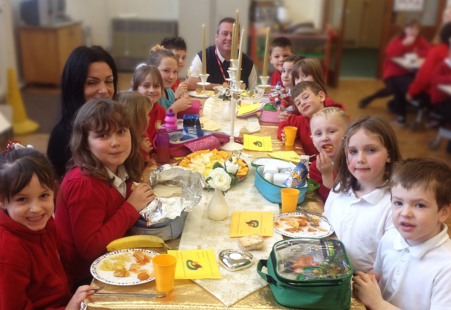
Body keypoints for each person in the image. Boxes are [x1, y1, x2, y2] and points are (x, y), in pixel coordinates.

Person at [55, 99, 156, 288]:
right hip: (87, 278)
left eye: (121, 132)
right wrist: (131, 207)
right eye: (102, 135)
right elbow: (90, 249)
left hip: (113, 257)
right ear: (85, 143)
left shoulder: (118, 167)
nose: (115, 143)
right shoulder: (84, 183)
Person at [0, 145, 94, 310]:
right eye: (22, 199)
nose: (36, 208)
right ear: (2, 201)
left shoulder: (47, 223)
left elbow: (64, 266)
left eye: (44, 196)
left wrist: (71, 299)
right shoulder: (8, 252)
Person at [354, 157, 451, 310]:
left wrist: (378, 304)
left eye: (419, 205)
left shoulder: (446, 267)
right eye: (398, 203)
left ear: (443, 212)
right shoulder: (391, 238)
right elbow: (378, 274)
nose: (405, 213)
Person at [323, 115, 402, 274]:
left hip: (360, 287)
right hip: (325, 273)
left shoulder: (394, 205)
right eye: (353, 151)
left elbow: (391, 264)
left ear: (388, 154)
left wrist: (357, 287)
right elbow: (325, 223)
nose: (360, 159)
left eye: (371, 150)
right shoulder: (341, 186)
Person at [47, 46, 118, 181]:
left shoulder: (118, 122)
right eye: (92, 82)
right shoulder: (62, 138)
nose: (104, 90)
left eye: (109, 81)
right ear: (75, 86)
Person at [359, 19, 430, 112]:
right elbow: (390, 53)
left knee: (413, 85)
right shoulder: (398, 39)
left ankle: (398, 106)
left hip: (409, 71)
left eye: (416, 29)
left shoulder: (420, 40)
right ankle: (369, 99)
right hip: (393, 70)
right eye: (411, 28)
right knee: (390, 89)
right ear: (405, 29)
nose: (413, 31)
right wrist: (403, 44)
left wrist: (416, 53)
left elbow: (428, 52)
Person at [277, 81, 346, 156]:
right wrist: (283, 134)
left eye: (306, 97)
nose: (302, 103)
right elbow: (285, 124)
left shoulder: (335, 118)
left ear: (321, 97)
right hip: (310, 164)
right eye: (298, 103)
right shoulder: (300, 120)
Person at [186, 17, 257, 90]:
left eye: (233, 34)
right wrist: (217, 87)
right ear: (217, 37)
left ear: (239, 40)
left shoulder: (247, 63)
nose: (229, 38)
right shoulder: (203, 57)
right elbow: (190, 83)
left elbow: (253, 92)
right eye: (225, 34)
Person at [405, 22, 451, 125]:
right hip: (440, 94)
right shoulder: (439, 51)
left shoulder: (438, 51)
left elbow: (425, 77)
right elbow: (427, 77)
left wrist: (411, 92)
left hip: (438, 95)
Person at [309, 107, 350, 201]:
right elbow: (328, 201)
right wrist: (326, 175)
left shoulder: (354, 162)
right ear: (313, 141)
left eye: (331, 131)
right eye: (318, 134)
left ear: (347, 135)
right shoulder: (316, 168)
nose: (324, 138)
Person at [147, 46, 192, 113]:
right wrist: (175, 108)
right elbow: (155, 122)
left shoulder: (170, 92)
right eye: (166, 71)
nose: (172, 77)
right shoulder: (151, 95)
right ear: (153, 69)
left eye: (175, 72)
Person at [130, 64, 167, 142]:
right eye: (146, 86)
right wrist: (139, 144)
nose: (152, 90)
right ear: (135, 89)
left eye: (156, 86)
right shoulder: (131, 112)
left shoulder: (162, 112)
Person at [116, 92, 154, 163]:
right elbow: (132, 169)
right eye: (147, 115)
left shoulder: (144, 136)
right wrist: (142, 152)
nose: (149, 118)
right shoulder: (125, 144)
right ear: (136, 120)